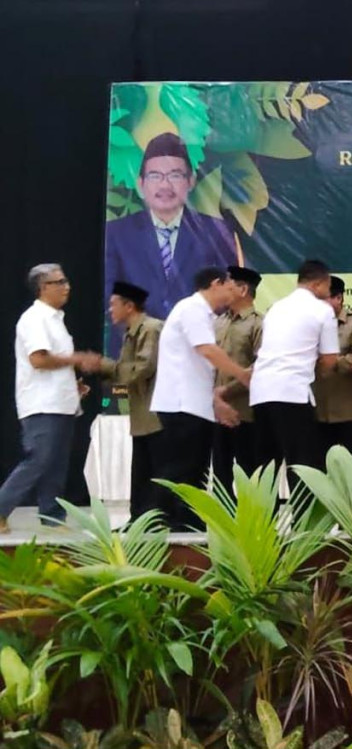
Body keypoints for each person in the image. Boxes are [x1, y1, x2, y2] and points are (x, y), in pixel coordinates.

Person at [103, 132, 237, 352]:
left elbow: (227, 293)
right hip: (133, 352)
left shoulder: (216, 231)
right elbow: (107, 294)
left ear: (190, 181)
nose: (165, 186)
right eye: (155, 176)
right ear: (141, 184)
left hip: (195, 353)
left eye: (175, 175)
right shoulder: (115, 233)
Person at [0, 264, 100, 533]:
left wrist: (73, 383)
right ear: (43, 288)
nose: (67, 286)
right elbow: (38, 359)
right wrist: (77, 359)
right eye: (60, 282)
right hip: (42, 404)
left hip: (60, 402)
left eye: (66, 280)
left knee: (56, 462)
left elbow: (53, 363)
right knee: (39, 459)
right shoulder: (35, 318)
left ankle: (52, 517)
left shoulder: (55, 319)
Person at [151, 266, 251, 530]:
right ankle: (159, 521)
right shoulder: (192, 309)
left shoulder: (201, 313)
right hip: (182, 404)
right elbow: (207, 350)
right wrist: (241, 374)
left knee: (193, 468)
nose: (233, 293)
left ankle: (185, 521)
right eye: (230, 286)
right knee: (181, 467)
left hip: (193, 403)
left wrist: (216, 403)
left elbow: (198, 369)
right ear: (215, 283)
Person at [249, 260, 339, 473]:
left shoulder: (275, 308)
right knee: (303, 464)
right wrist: (319, 371)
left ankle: (261, 508)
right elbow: (330, 360)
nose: (328, 293)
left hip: (261, 392)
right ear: (318, 284)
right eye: (328, 286)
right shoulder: (322, 310)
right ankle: (302, 508)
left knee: (265, 465)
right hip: (292, 392)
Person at [99, 281, 164, 520]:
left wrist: (103, 366)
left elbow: (143, 368)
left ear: (129, 306)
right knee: (141, 471)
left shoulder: (151, 329)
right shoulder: (131, 333)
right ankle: (139, 520)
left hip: (156, 413)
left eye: (113, 304)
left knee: (155, 471)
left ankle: (154, 520)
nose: (110, 310)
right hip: (141, 413)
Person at [314, 275, 352, 474]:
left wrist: (329, 360)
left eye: (323, 299)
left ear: (338, 298)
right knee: (321, 474)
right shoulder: (312, 324)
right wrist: (344, 360)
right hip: (319, 413)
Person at [210, 265, 263, 491]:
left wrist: (226, 392)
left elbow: (260, 367)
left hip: (246, 413)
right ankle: (223, 523)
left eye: (228, 286)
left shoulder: (258, 324)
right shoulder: (218, 322)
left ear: (243, 290)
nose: (223, 290)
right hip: (217, 412)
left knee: (249, 473)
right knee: (221, 474)